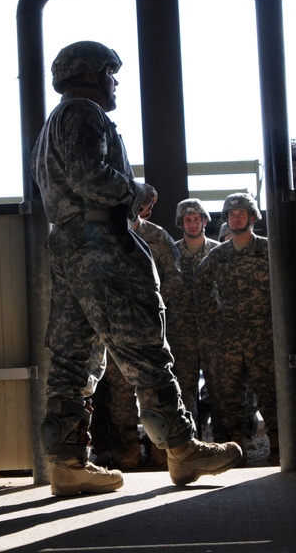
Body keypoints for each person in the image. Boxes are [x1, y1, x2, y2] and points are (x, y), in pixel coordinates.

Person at [31, 40, 241, 496]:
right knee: (143, 341)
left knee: (72, 355)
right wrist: (135, 190)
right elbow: (90, 176)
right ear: (92, 74)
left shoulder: (52, 124)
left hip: (66, 243)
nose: (115, 82)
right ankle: (183, 450)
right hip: (99, 242)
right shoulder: (85, 113)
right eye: (111, 72)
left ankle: (67, 464)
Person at [92, 194, 181, 470]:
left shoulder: (158, 237)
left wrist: (150, 309)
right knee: (121, 392)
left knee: (154, 387)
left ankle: (160, 448)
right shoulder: (105, 235)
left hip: (150, 328)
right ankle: (127, 449)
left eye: (143, 206)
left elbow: (174, 277)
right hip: (117, 328)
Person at [194, 193, 277, 462]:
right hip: (228, 339)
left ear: (253, 217)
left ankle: (281, 450)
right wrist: (215, 318)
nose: (236, 218)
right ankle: (230, 454)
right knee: (227, 398)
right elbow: (200, 287)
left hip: (263, 336)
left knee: (271, 394)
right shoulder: (218, 256)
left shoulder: (268, 250)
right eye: (231, 215)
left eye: (241, 213)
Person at [168, 198, 222, 440]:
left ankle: (227, 443)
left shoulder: (217, 252)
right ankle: (189, 444)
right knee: (184, 392)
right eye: (187, 220)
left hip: (213, 334)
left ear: (204, 221)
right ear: (181, 223)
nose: (192, 224)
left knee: (220, 390)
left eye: (196, 219)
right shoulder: (172, 253)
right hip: (181, 335)